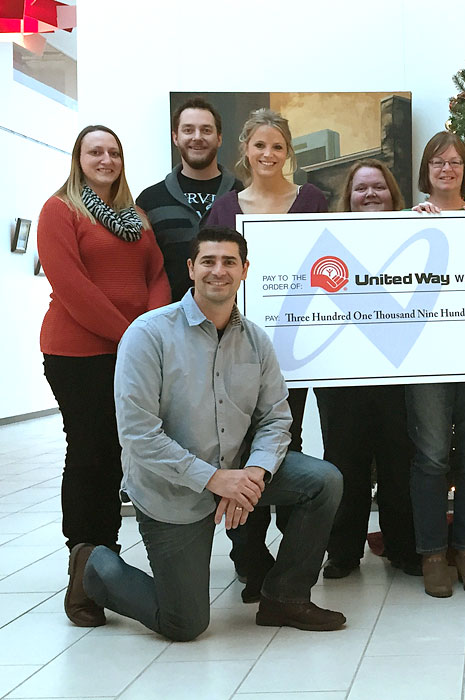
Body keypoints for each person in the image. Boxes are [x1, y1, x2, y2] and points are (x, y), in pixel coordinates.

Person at [65, 227, 346, 640]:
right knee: (184, 624)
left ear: (245, 270)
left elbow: (275, 418)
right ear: (191, 268)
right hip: (171, 490)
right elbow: (138, 434)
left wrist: (254, 474)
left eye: (229, 262)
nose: (219, 270)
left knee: (324, 481)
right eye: (209, 261)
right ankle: (92, 564)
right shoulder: (147, 335)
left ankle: (284, 596)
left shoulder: (257, 341)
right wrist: (215, 479)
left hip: (236, 471)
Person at [37, 125, 171, 627]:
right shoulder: (60, 210)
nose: (106, 159)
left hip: (131, 351)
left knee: (118, 451)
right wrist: (132, 335)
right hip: (79, 353)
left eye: (114, 152)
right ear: (78, 158)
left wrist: (149, 329)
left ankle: (106, 557)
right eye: (96, 151)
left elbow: (156, 274)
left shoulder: (136, 217)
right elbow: (71, 286)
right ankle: (83, 568)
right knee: (90, 449)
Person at [204, 108, 328, 601]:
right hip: (238, 351)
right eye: (260, 146)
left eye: (277, 146)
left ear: (288, 152)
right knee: (240, 449)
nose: (268, 154)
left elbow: (331, 263)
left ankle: (290, 557)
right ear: (246, 151)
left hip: (298, 351)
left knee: (284, 449)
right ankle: (249, 559)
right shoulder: (226, 208)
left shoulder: (313, 200)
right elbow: (214, 279)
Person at [314, 160, 420, 579]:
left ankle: (403, 548)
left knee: (399, 463)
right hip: (341, 374)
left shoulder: (412, 236)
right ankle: (343, 552)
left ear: (394, 195)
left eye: (379, 187)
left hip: (398, 372)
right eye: (362, 189)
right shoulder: (326, 242)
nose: (371, 194)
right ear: (348, 196)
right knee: (344, 464)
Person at [407, 132, 465, 598]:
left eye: (456, 162)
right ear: (426, 169)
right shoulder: (408, 220)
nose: (447, 169)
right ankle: (433, 554)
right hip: (426, 360)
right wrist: (409, 228)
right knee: (432, 456)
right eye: (438, 162)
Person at [136, 97, 242, 302]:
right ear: (175, 137)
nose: (197, 137)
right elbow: (141, 270)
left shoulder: (243, 195)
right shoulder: (149, 200)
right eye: (188, 130)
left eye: (206, 130)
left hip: (235, 324)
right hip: (169, 325)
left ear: (219, 138)